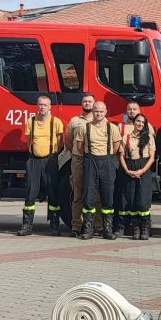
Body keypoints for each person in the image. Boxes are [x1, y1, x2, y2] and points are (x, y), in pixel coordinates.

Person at [17, 95, 65, 236]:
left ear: (50, 107)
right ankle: (27, 225)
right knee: (31, 192)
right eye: (40, 104)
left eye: (45, 105)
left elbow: (61, 142)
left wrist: (52, 153)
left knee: (53, 193)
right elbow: (28, 140)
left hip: (50, 161)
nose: (42, 107)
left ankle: (54, 225)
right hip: (33, 161)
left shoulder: (56, 122)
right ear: (37, 106)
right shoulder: (30, 122)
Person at [75, 101, 121, 240]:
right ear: (92, 112)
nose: (98, 114)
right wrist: (91, 156)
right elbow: (79, 145)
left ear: (105, 112)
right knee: (89, 196)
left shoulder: (112, 128)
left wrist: (106, 157)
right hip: (90, 161)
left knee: (108, 196)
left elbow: (116, 145)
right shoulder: (84, 127)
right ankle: (88, 229)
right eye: (96, 111)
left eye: (101, 111)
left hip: (107, 162)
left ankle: (107, 229)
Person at [114, 101, 155, 237]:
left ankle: (144, 226)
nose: (132, 111)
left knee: (143, 200)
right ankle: (129, 226)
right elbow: (120, 152)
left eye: (134, 109)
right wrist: (127, 170)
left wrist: (142, 170)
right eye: (129, 109)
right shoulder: (122, 127)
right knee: (127, 199)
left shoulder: (148, 130)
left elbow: (152, 155)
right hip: (127, 166)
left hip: (143, 167)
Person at [64, 93, 94, 236]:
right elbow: (68, 141)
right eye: (85, 101)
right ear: (81, 103)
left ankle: (97, 226)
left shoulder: (100, 120)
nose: (87, 104)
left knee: (96, 194)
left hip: (94, 160)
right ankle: (76, 226)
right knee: (77, 193)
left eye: (90, 101)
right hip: (79, 160)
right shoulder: (74, 121)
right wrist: (76, 153)